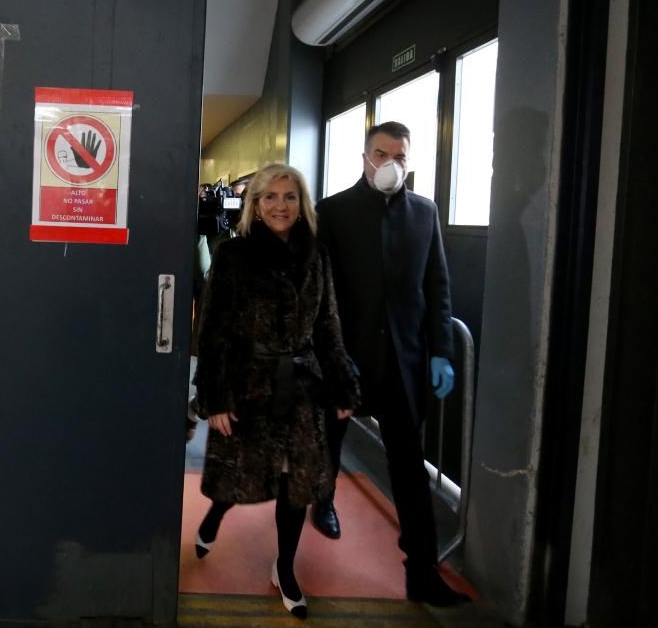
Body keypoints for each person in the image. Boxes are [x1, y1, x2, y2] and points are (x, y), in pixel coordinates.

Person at [193, 164, 361, 620]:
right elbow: (213, 334)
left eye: (289, 196)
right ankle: (215, 515)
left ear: (301, 203)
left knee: (296, 484)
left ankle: (284, 568)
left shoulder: (316, 255)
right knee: (239, 474)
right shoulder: (233, 256)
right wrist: (214, 397)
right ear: (255, 204)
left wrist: (342, 382)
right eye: (270, 197)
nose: (280, 206)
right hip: (248, 384)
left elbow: (328, 325)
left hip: (303, 387)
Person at [314, 121, 469, 606]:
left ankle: (421, 572)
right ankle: (323, 502)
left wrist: (441, 351)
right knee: (328, 444)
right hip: (346, 361)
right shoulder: (334, 212)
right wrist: (324, 357)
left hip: (404, 364)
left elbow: (437, 288)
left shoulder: (425, 213)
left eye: (399, 156)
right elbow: (321, 292)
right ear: (365, 158)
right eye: (381, 154)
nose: (390, 164)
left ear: (410, 160)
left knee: (408, 470)